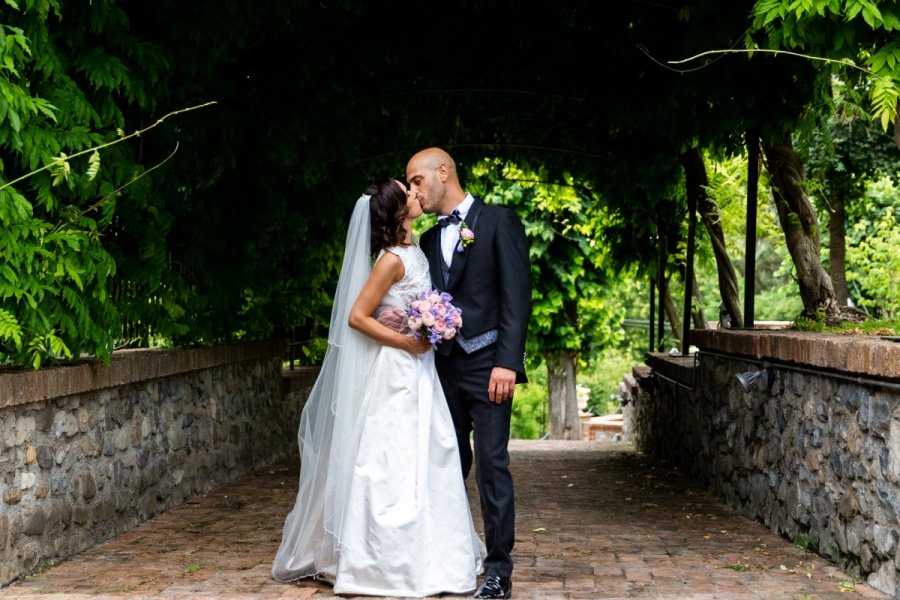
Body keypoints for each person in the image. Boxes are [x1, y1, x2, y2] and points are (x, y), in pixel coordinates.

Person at [271, 178, 485, 597]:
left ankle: (432, 551)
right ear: (397, 211)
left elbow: (403, 305)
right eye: (408, 193)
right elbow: (357, 317)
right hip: (398, 371)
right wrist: (407, 338)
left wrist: (431, 321)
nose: (415, 195)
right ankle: (385, 560)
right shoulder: (389, 260)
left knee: (430, 455)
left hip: (421, 371)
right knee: (393, 461)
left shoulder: (415, 249)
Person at [406, 147, 532, 600]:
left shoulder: (499, 221)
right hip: (441, 369)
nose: (414, 190)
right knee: (446, 464)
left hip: (488, 365)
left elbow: (517, 297)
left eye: (417, 180)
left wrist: (507, 362)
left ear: (443, 172)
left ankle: (499, 571)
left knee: (492, 466)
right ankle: (449, 558)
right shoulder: (424, 242)